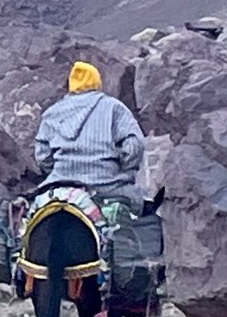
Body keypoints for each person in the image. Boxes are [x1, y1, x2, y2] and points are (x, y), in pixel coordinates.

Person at [33, 61, 146, 211]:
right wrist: (124, 169)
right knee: (143, 211)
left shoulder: (52, 113)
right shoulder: (113, 107)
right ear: (97, 82)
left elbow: (42, 156)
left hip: (59, 187)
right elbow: (134, 146)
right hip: (106, 187)